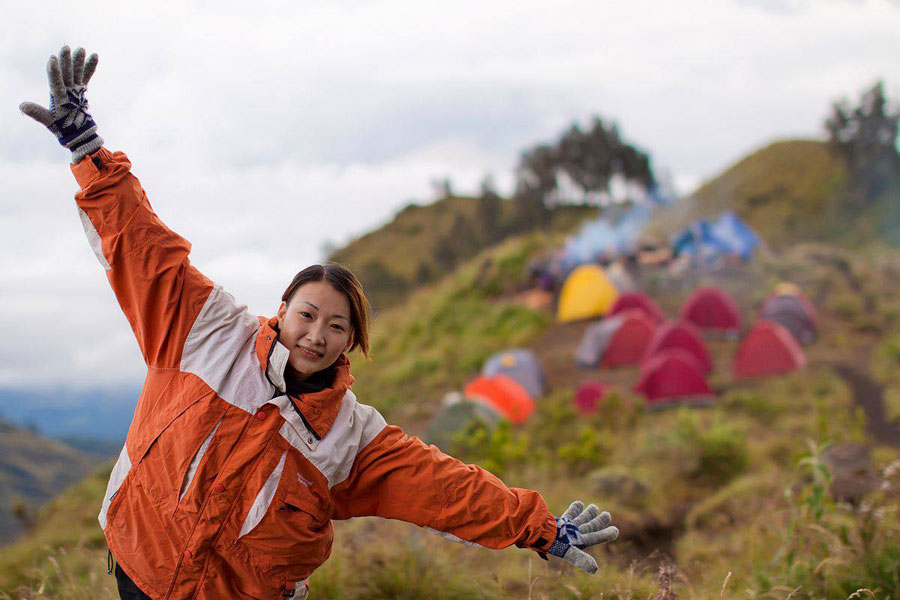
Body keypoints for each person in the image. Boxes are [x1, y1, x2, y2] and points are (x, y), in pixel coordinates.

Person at [20, 46, 619, 600]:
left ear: (351, 342)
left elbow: (444, 488)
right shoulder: (205, 332)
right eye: (307, 314)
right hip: (139, 570)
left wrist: (539, 527)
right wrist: (87, 151)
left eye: (336, 326)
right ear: (281, 311)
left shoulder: (352, 439)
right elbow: (145, 250)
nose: (316, 333)